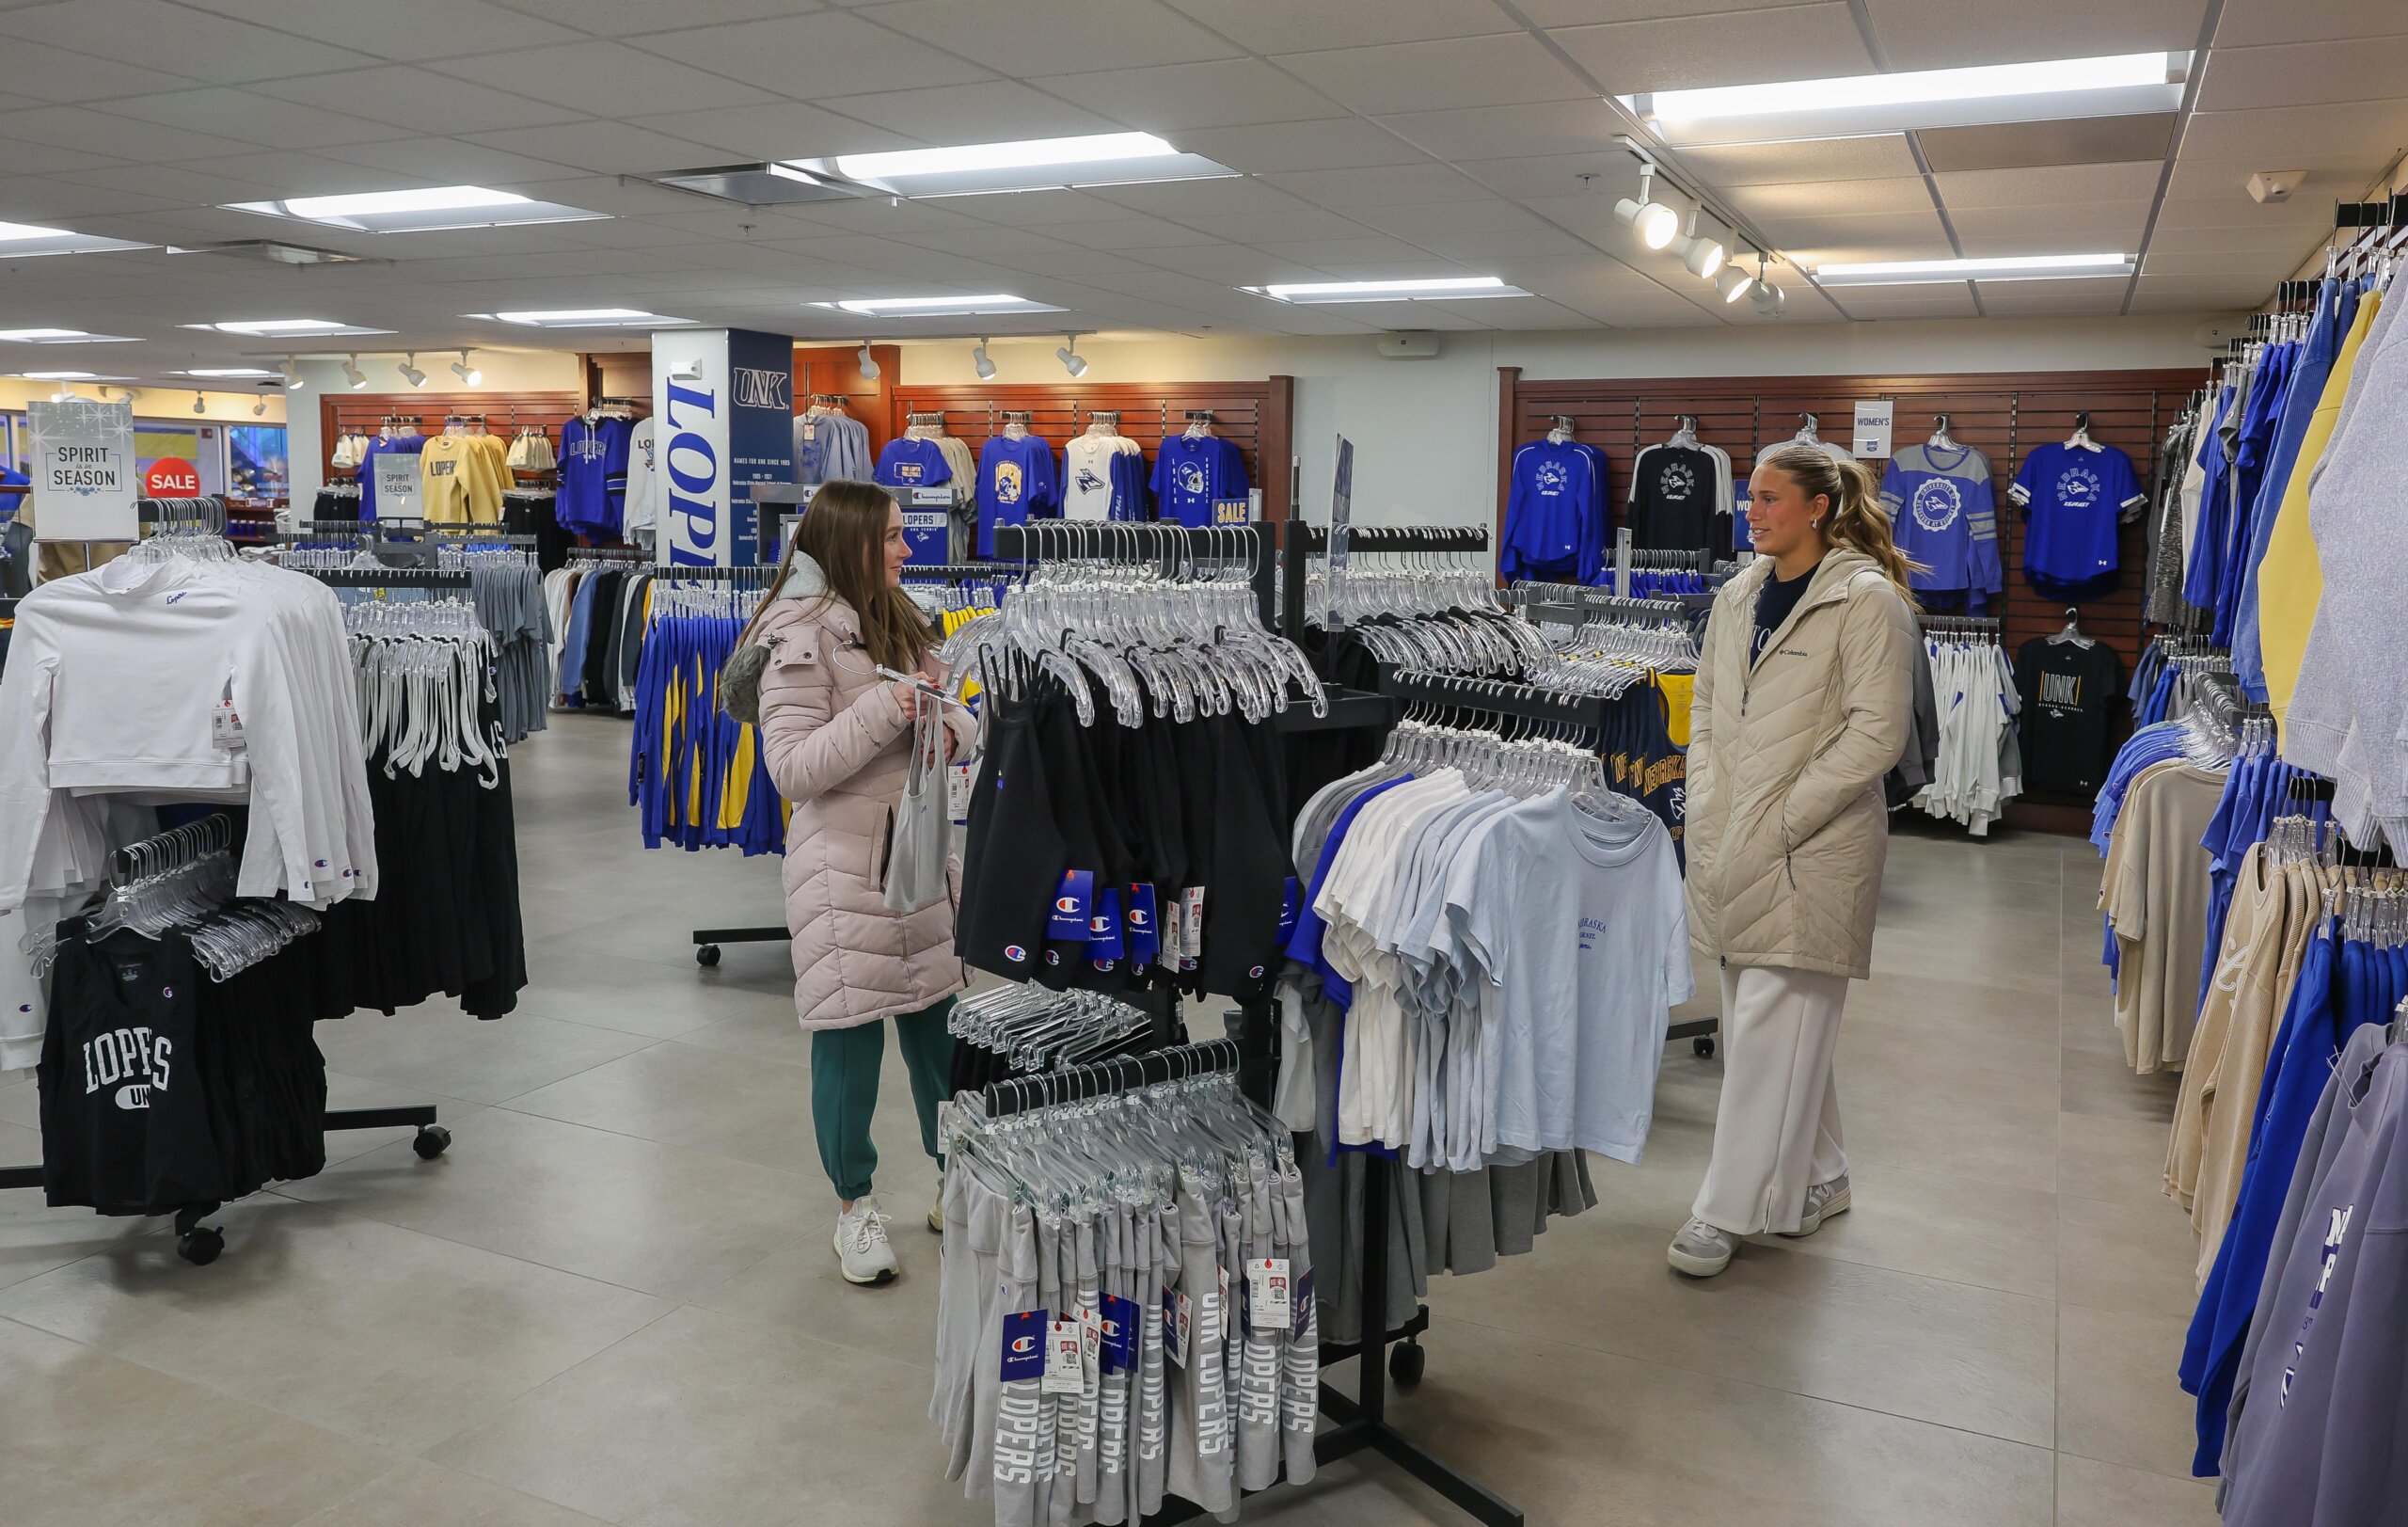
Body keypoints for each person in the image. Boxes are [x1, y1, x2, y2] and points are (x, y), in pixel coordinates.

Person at [1670, 444, 1922, 1278]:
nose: (1753, 510)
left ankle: (1726, 1211)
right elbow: (1707, 705)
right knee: (1769, 1028)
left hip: (1815, 851)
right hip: (1734, 837)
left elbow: (1878, 734)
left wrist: (1784, 816)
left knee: (1768, 1032)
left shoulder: (1866, 600)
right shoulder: (1738, 592)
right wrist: (1709, 795)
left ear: (1818, 507)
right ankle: (1824, 1171)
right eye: (1751, 496)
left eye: (1770, 497)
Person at [748, 480, 974, 1286]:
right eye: (891, 537)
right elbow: (791, 768)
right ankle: (855, 1207)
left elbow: (957, 713)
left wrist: (950, 726)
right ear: (850, 542)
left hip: (918, 857)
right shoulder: (796, 636)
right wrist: (889, 709)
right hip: (842, 873)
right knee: (848, 1043)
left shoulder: (903, 616)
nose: (907, 549)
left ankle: (958, 1181)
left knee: (941, 1039)